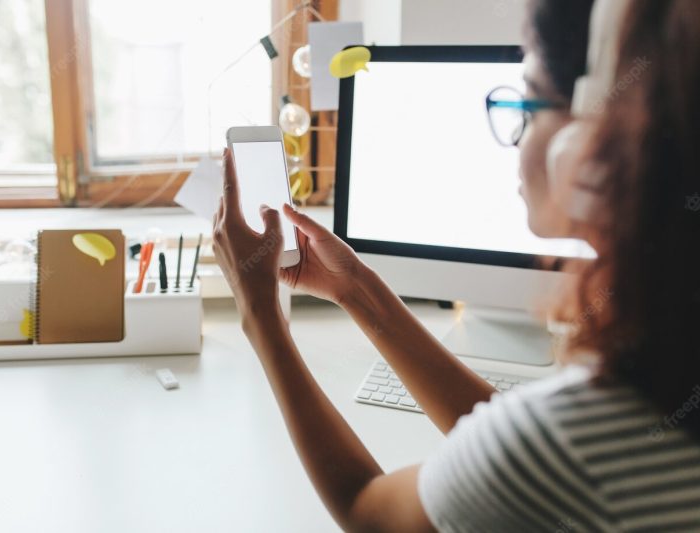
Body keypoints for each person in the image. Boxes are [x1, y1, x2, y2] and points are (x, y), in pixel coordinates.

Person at [212, 0, 700, 530]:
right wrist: (354, 288)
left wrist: (259, 313)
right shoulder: (635, 407)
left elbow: (369, 513)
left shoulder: (575, 451)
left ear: (589, 145)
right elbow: (502, 442)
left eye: (527, 100)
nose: (513, 135)